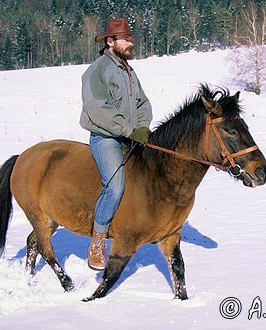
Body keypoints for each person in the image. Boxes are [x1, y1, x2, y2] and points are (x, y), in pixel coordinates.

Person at [80, 18, 153, 271]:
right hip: (106, 137)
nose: (131, 43)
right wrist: (130, 130)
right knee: (115, 185)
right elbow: (99, 109)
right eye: (127, 39)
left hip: (130, 135)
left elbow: (143, 103)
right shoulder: (97, 71)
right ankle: (98, 240)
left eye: (131, 38)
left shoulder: (129, 72)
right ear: (111, 42)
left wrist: (143, 127)